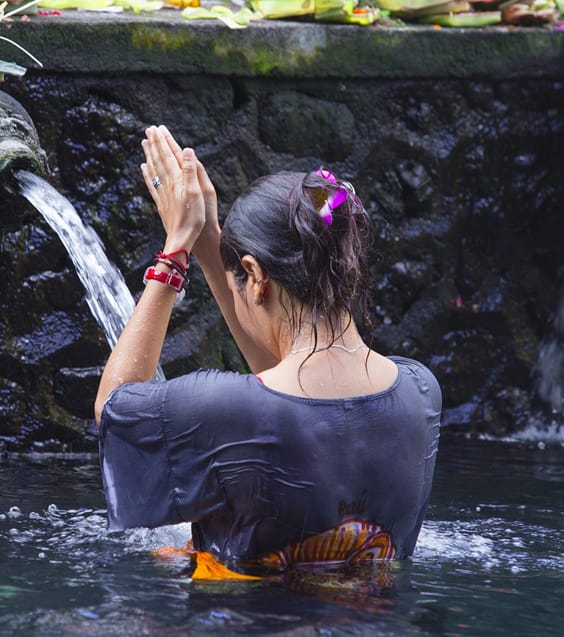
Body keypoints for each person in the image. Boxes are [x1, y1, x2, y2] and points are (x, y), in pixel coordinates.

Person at [94, 125, 442, 580]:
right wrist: (211, 247)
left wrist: (176, 250)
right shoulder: (420, 391)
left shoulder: (225, 409)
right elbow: (290, 395)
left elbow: (114, 410)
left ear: (255, 276)